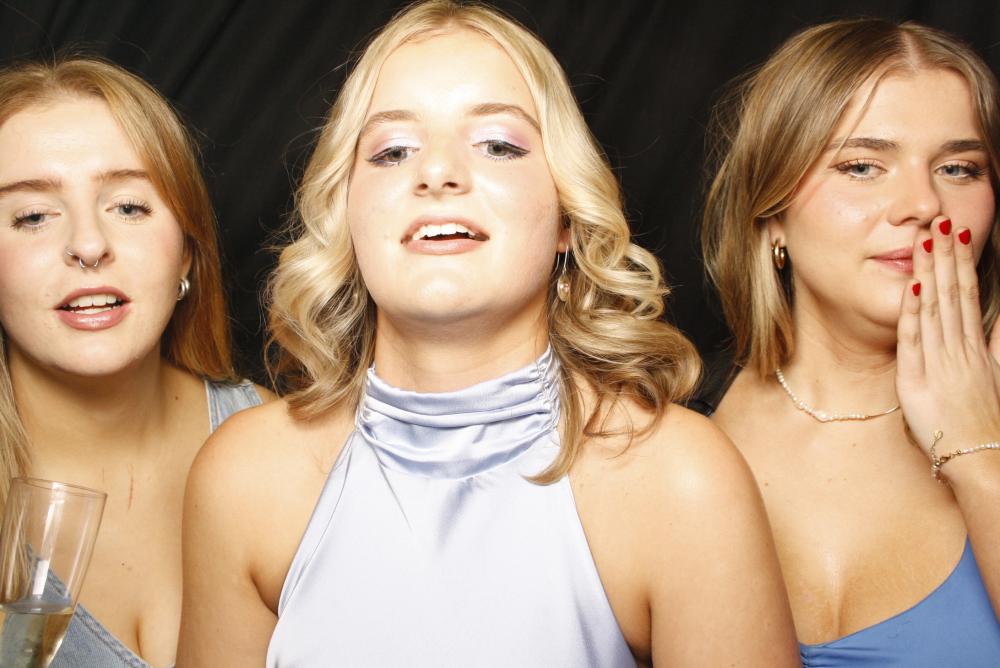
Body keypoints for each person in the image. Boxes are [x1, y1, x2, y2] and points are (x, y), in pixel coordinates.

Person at [177, 1, 799, 666]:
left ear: (567, 217)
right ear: (347, 212)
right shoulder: (244, 477)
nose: (436, 173)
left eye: (498, 144)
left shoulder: (681, 481)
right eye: (392, 151)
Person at [699, 18, 1000, 666]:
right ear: (772, 211)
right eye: (862, 166)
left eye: (958, 167)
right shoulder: (675, 429)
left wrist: (980, 456)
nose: (923, 204)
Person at [0, 57, 272, 667]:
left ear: (187, 253)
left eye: (128, 207)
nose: (88, 245)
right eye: (32, 216)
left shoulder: (289, 455)